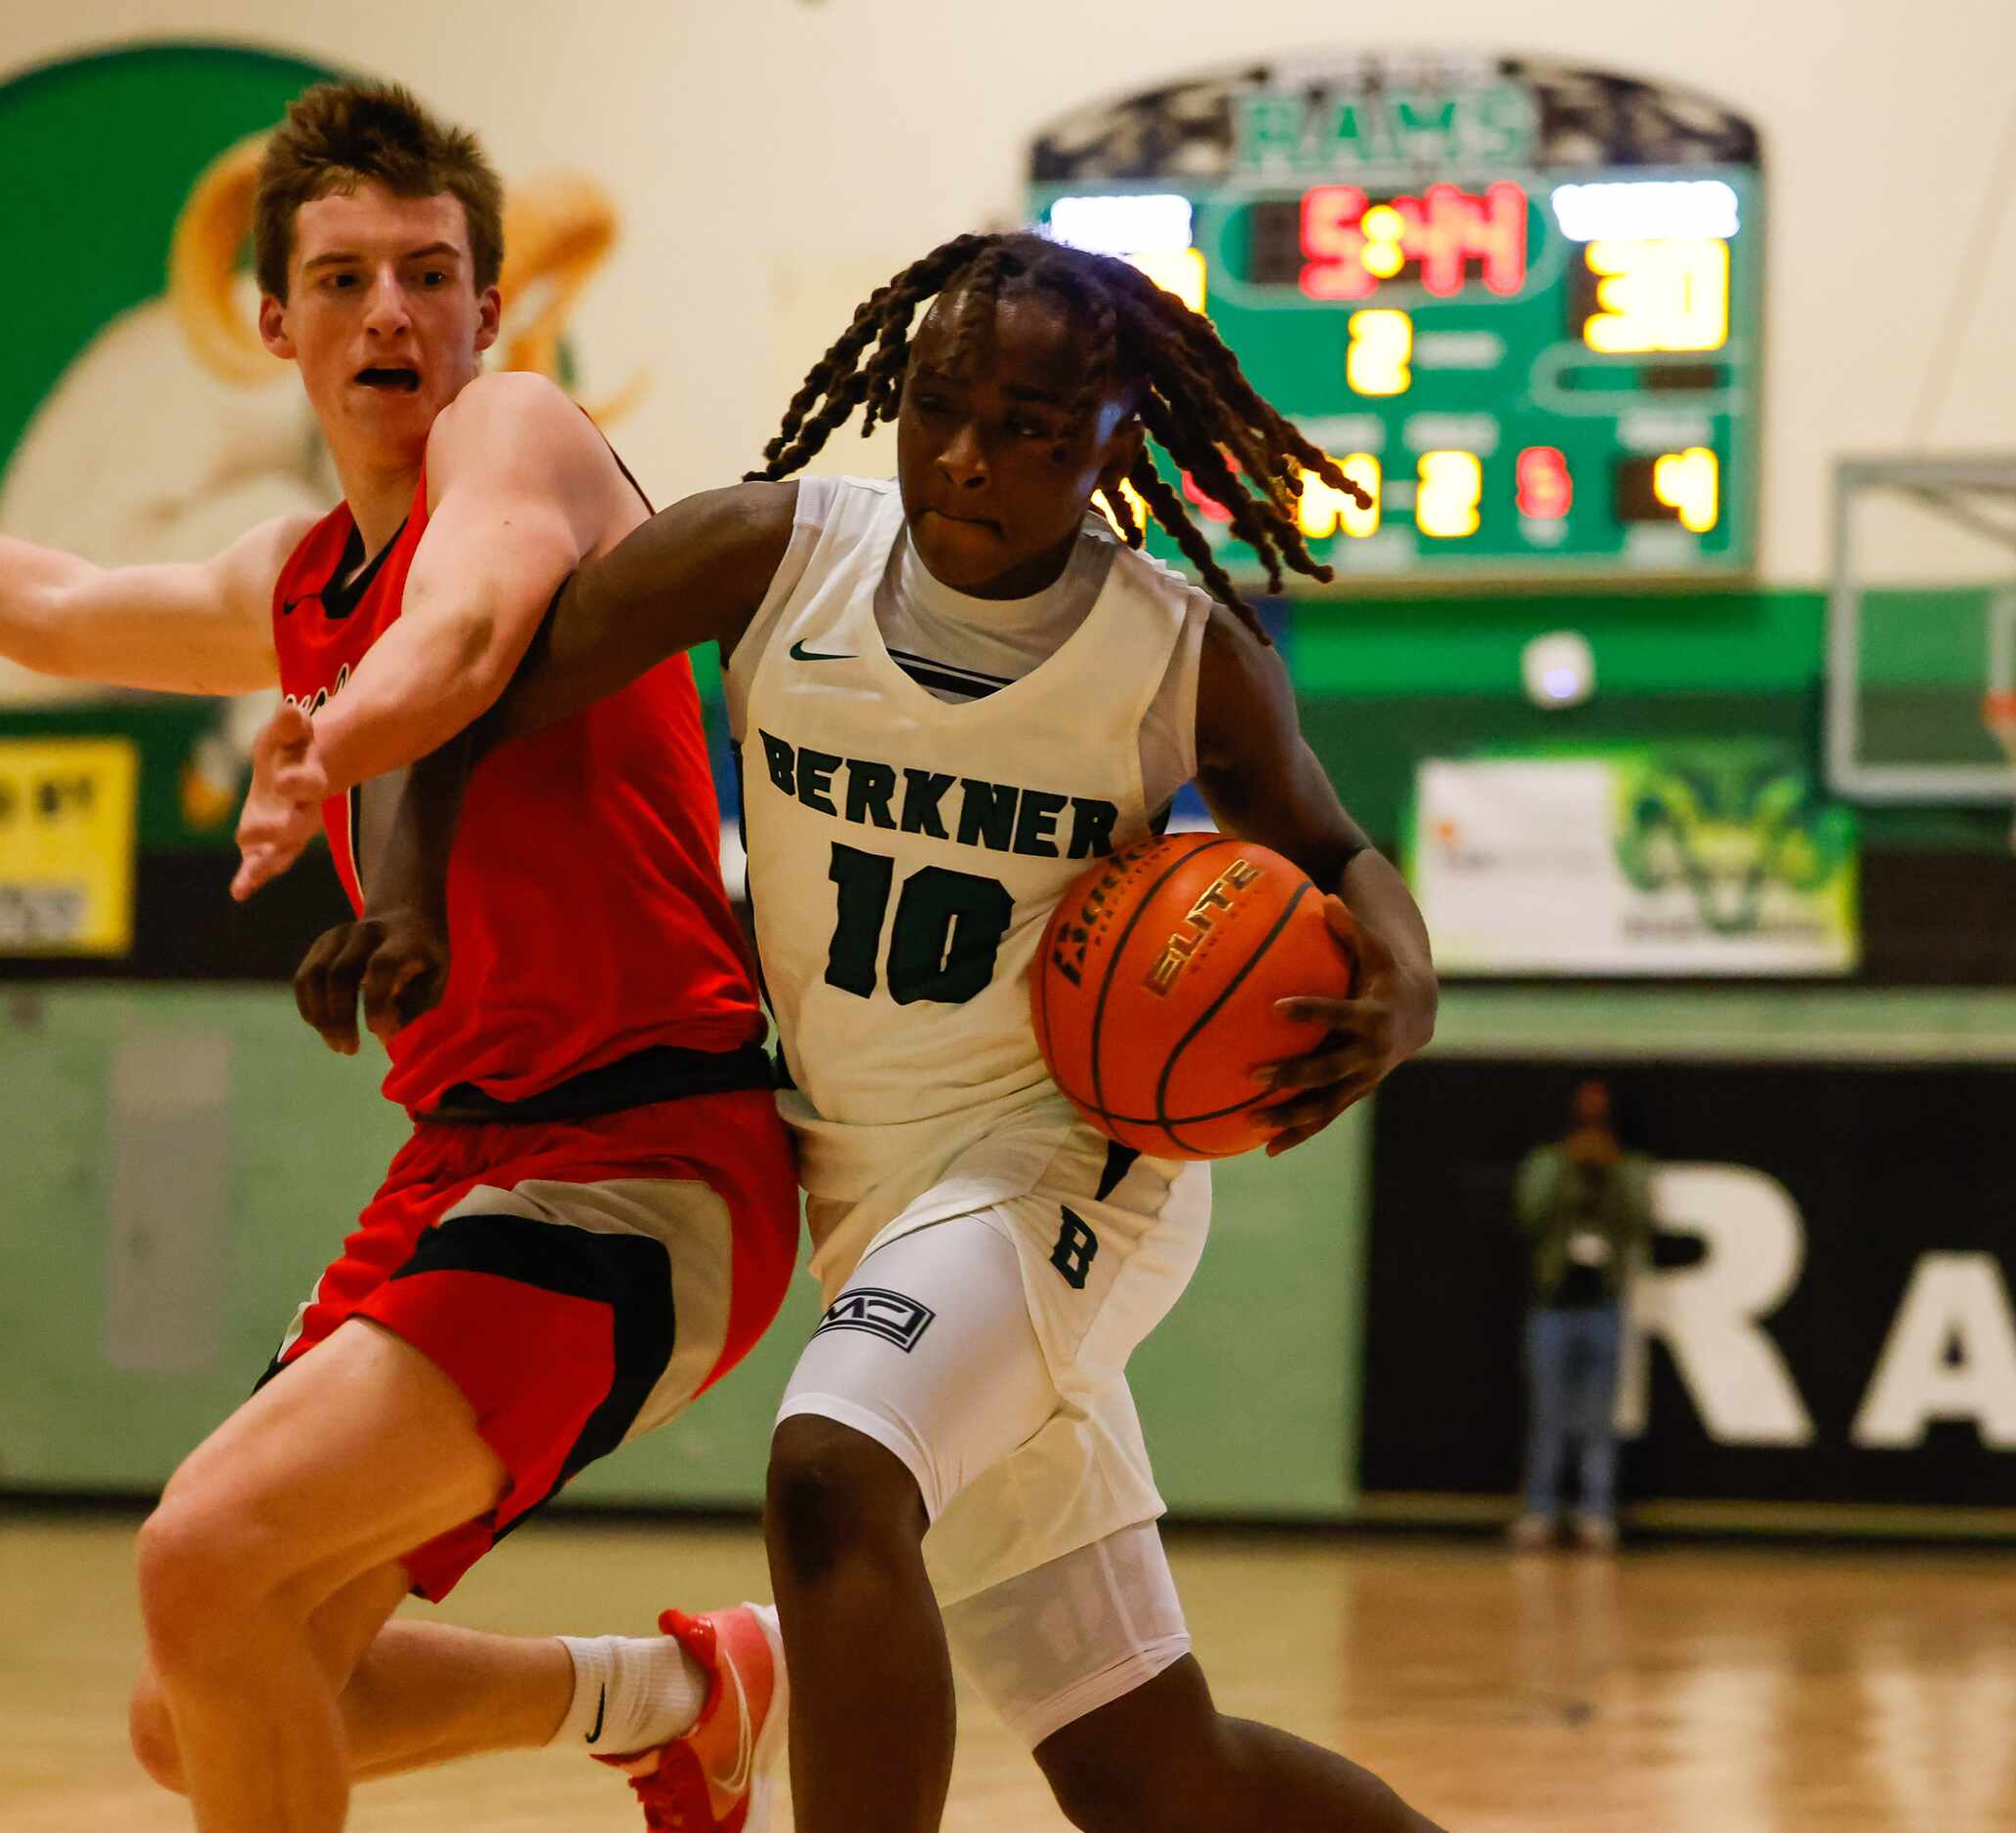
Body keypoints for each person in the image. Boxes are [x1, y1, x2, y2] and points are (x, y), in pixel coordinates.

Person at [0, 80, 800, 1833]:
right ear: (273, 322)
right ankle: (675, 1692)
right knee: (202, 1692)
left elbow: (477, 617)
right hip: (465, 1166)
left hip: (645, 1150)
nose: (390, 313)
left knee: (203, 1558)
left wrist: (327, 741)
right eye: (342, 278)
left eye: (429, 273)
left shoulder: (519, 434)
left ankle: (679, 1694)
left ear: (490, 310)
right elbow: (46, 605)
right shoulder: (294, 578)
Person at [243, 229, 1453, 1832]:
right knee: (1154, 1774)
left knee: (829, 1474)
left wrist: (1400, 987)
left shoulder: (1174, 654)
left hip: (1062, 1171)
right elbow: (485, 700)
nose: (966, 455)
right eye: (938, 403)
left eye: (1030, 426)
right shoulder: (772, 553)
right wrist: (409, 897)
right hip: (869, 1203)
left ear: (1116, 443)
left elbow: (1334, 851)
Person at [1510, 1079, 1654, 1553]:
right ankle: (1541, 1509)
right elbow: (1529, 1213)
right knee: (1548, 1415)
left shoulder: (1629, 1167)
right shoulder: (1548, 1163)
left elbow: (1639, 1226)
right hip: (1553, 1307)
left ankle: (1596, 1511)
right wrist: (1569, 1168)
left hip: (1603, 1308)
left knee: (1599, 1417)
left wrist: (1612, 1173)